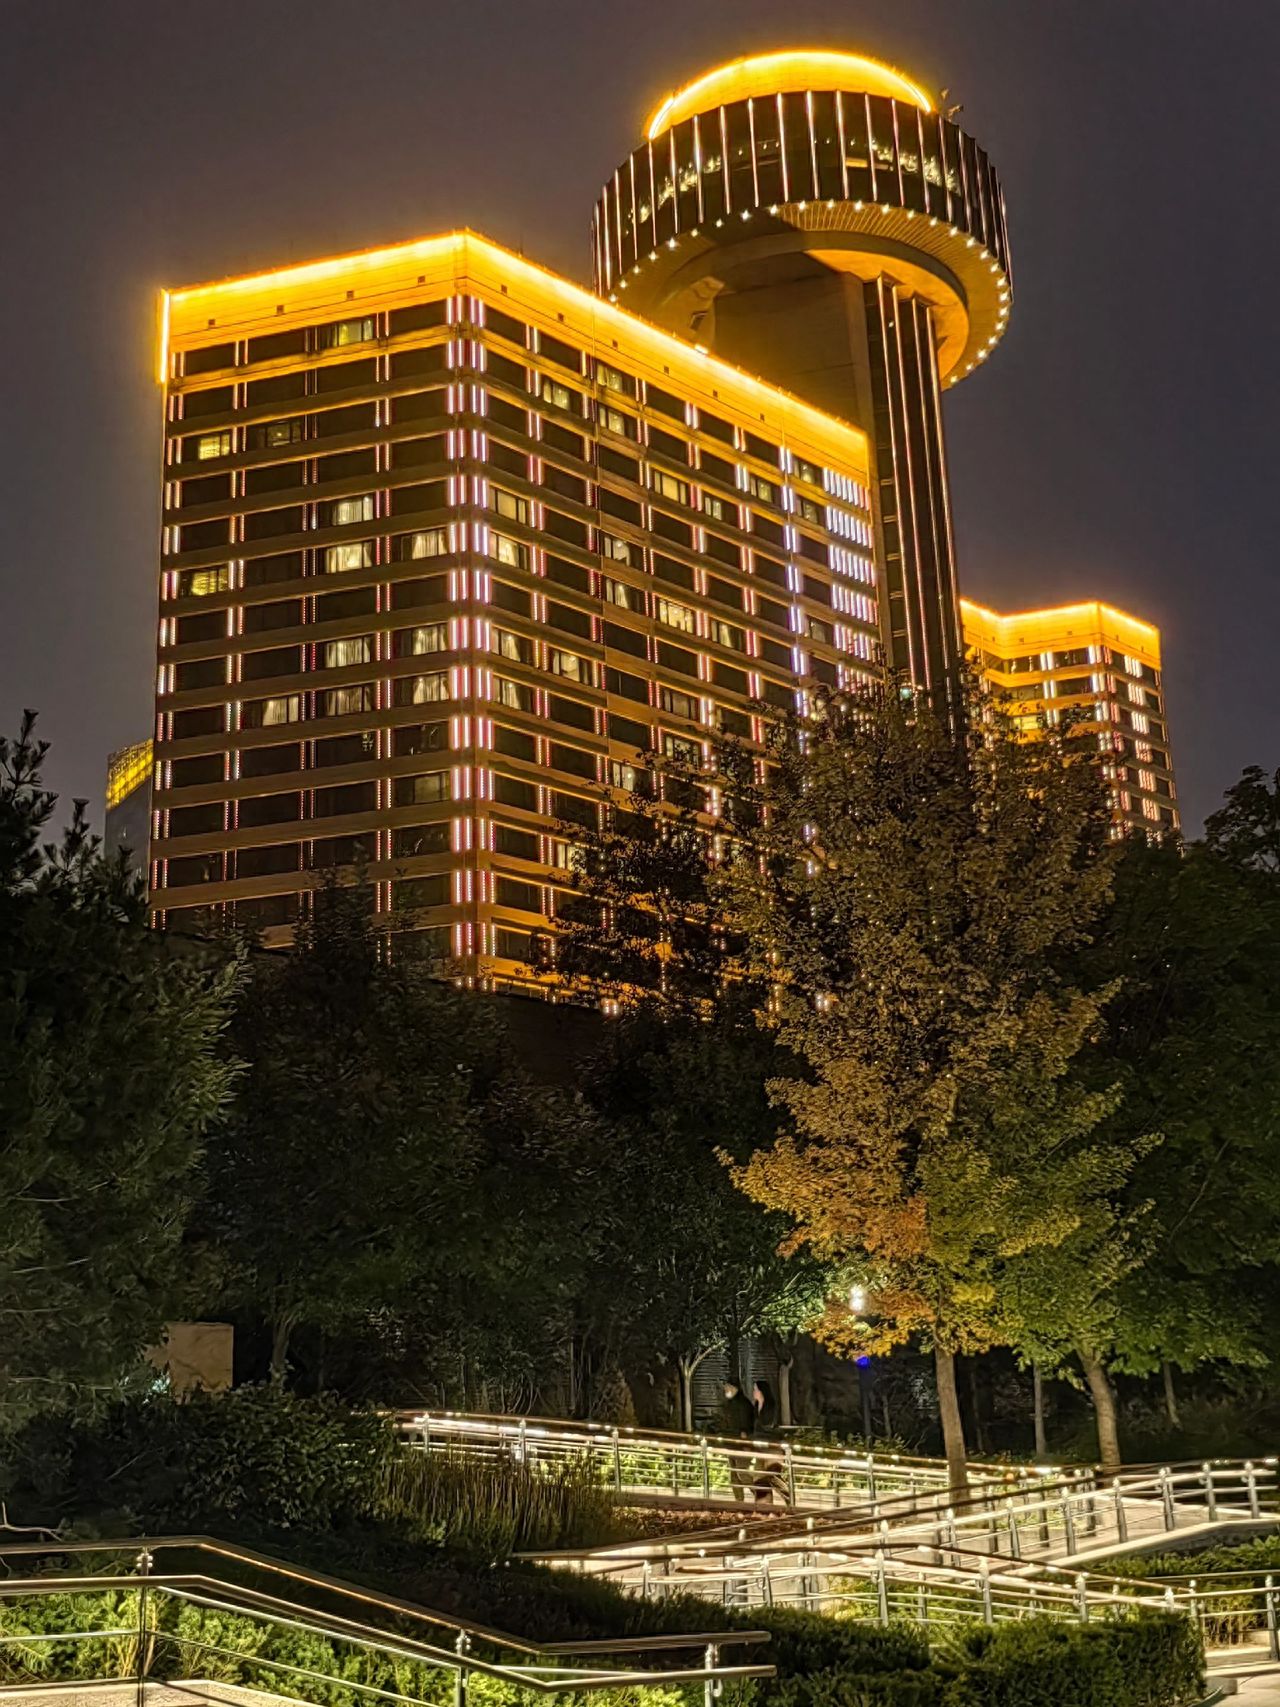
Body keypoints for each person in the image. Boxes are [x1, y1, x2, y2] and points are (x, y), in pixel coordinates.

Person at [718, 1376, 756, 1502]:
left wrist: (745, 1443)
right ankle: (739, 1501)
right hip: (731, 1443)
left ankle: (761, 1496)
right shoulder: (729, 1404)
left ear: (735, 1388)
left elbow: (746, 1426)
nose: (726, 1390)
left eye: (728, 1387)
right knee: (734, 1475)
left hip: (740, 1445)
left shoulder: (743, 1404)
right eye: (725, 1387)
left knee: (743, 1474)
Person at [751, 1378, 786, 1504]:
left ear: (762, 1391)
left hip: (772, 1446)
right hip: (760, 1447)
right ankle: (764, 1504)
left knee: (772, 1476)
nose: (753, 1392)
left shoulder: (771, 1406)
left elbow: (769, 1425)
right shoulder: (756, 1406)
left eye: (755, 1389)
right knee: (758, 1477)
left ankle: (789, 1498)